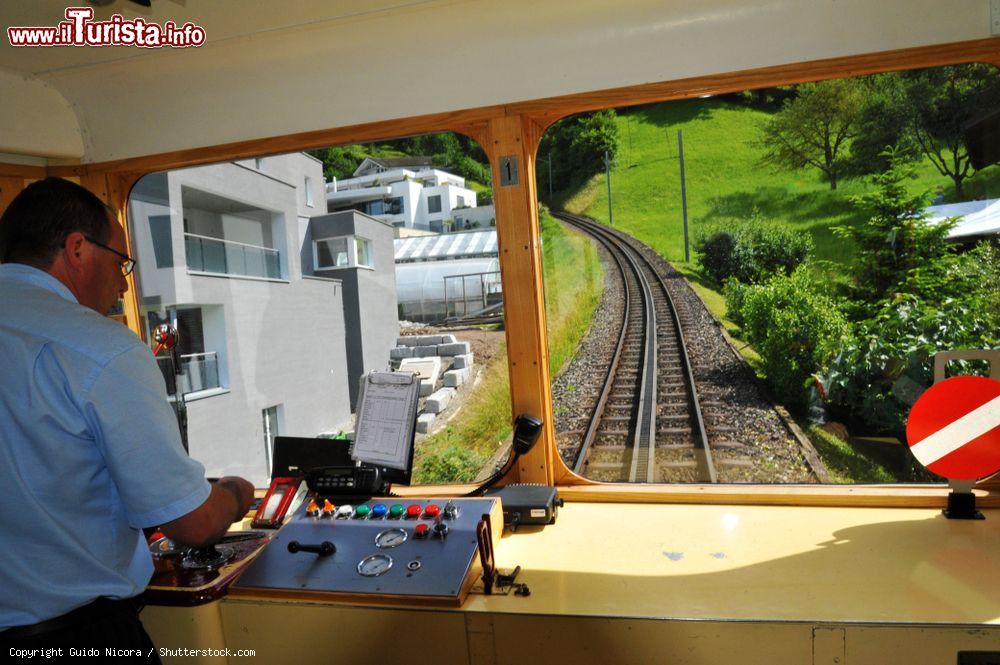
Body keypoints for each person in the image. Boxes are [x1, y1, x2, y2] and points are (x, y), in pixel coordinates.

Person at [0, 178, 255, 655]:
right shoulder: (101, 348)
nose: (123, 281)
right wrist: (237, 494)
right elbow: (193, 525)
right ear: (77, 249)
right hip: (77, 638)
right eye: (121, 262)